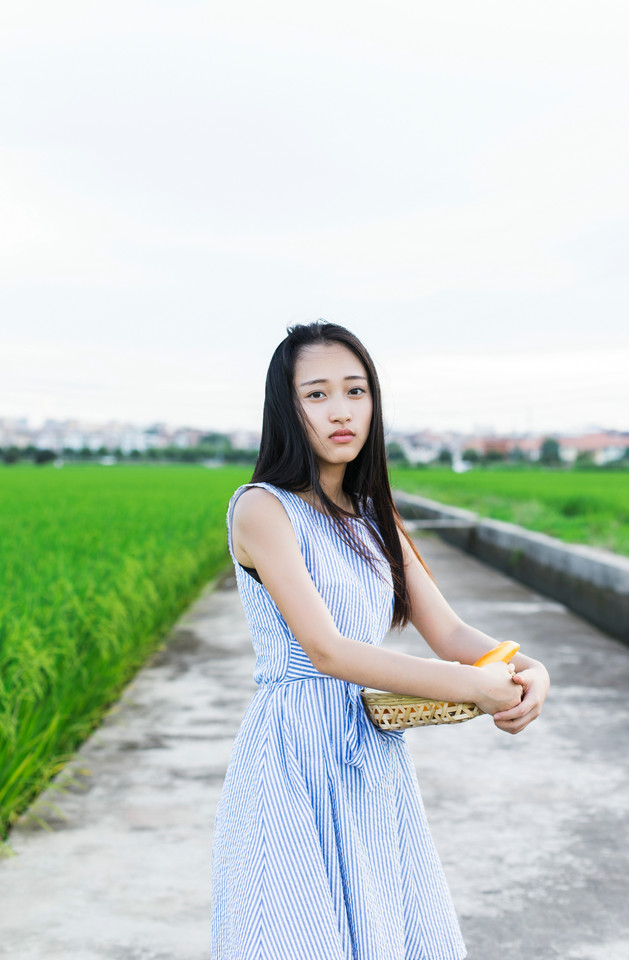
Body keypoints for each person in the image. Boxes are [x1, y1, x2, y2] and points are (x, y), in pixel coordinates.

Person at [211, 321, 550, 960]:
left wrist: (527, 667)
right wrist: (474, 688)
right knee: (300, 934)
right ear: (286, 408)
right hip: (296, 755)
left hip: (370, 751)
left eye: (356, 391)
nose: (341, 411)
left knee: (384, 932)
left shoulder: (375, 515)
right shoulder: (261, 509)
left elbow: (448, 630)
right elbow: (329, 651)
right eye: (316, 395)